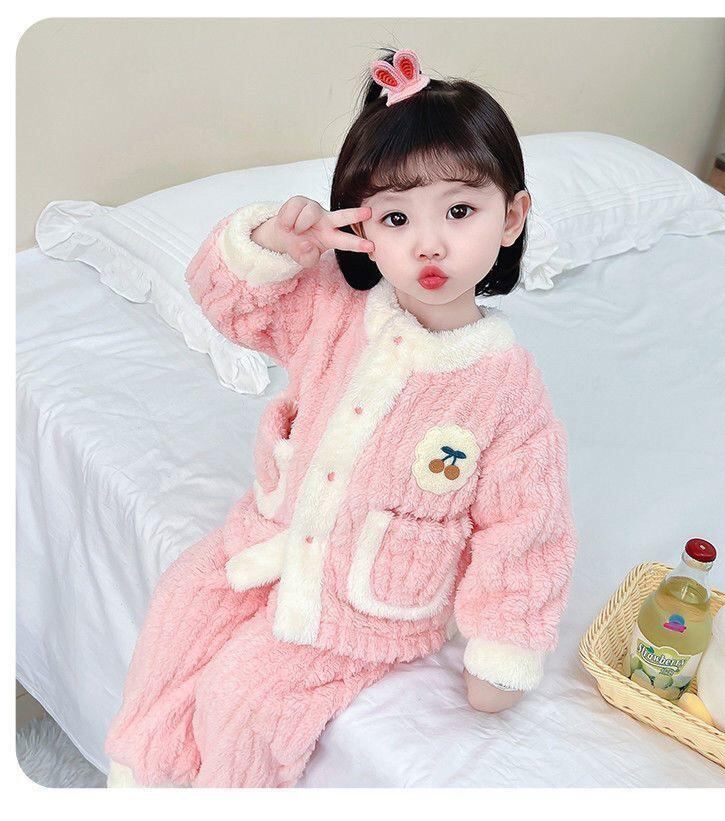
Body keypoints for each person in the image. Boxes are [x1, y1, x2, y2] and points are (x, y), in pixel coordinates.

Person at [105, 47, 577, 788]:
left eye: (460, 210)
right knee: (182, 605)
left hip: (365, 602)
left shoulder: (505, 387)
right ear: (362, 226)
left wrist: (504, 645)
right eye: (396, 217)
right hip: (269, 539)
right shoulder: (331, 304)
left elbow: (527, 526)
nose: (429, 243)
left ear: (511, 217)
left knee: (243, 697)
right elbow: (228, 302)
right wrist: (275, 245)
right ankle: (143, 778)